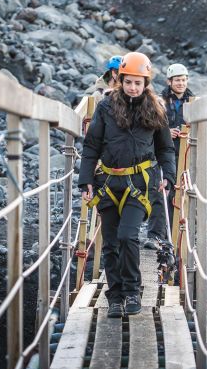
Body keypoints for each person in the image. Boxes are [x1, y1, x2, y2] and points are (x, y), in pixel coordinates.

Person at [79, 51, 176, 317]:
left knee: (127, 236)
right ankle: (116, 296)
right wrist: (85, 179)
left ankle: (133, 290)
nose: (133, 87)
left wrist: (168, 176)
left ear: (146, 83)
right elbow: (91, 146)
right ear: (120, 80)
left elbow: (166, 149)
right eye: (129, 82)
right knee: (110, 242)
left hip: (139, 183)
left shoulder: (155, 109)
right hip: (108, 181)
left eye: (138, 82)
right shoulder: (106, 107)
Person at [145, 63, 195, 249]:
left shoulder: (194, 102)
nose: (181, 83)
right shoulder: (159, 101)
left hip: (184, 153)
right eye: (177, 80)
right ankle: (155, 235)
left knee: (179, 192)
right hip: (162, 153)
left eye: (184, 80)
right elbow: (151, 124)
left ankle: (175, 236)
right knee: (160, 191)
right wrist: (167, 131)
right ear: (169, 81)